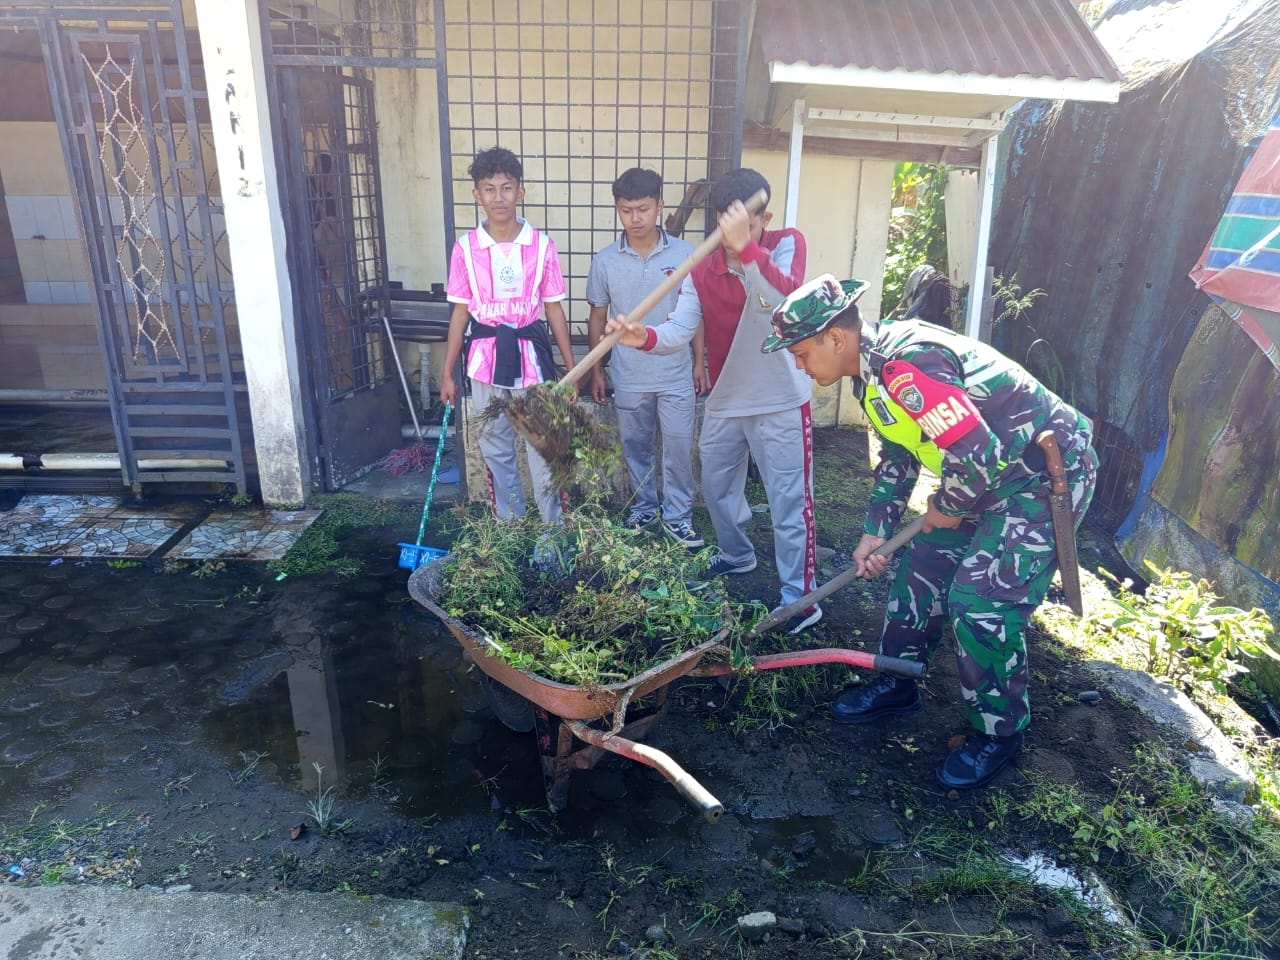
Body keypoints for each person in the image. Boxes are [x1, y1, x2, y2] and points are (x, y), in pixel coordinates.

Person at [761, 274, 1097, 788]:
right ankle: (898, 681)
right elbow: (899, 452)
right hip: (983, 477)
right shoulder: (870, 376)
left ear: (835, 338)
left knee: (980, 602)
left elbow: (979, 458)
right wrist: (877, 530)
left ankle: (998, 732)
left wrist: (947, 505)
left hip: (1039, 476)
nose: (799, 365)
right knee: (920, 569)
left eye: (802, 353)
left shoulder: (909, 366)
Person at [607, 168, 820, 635]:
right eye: (735, 224)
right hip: (726, 395)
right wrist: (644, 336)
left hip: (780, 395)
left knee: (789, 499)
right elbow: (681, 329)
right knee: (718, 488)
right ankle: (738, 555)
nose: (747, 231)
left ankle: (800, 598)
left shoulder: (786, 243)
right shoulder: (700, 266)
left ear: (765, 218)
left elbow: (785, 298)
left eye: (754, 222)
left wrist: (748, 248)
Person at [440, 146, 577, 523]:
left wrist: (570, 369)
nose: (498, 197)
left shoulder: (542, 246)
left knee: (542, 446)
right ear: (477, 195)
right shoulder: (466, 250)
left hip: (531, 363)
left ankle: (553, 536)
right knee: (495, 446)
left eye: (506, 188)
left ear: (521, 191)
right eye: (489, 189)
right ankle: (511, 530)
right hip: (484, 362)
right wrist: (448, 372)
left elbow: (553, 308)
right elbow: (460, 312)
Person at [585, 167, 705, 548]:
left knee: (678, 449)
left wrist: (699, 362)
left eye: (642, 209)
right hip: (628, 373)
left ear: (659, 206)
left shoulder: (686, 255)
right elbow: (597, 316)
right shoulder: (605, 261)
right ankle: (644, 508)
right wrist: (596, 370)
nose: (634, 219)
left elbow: (695, 315)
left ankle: (678, 517)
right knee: (635, 447)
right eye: (625, 210)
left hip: (675, 374)